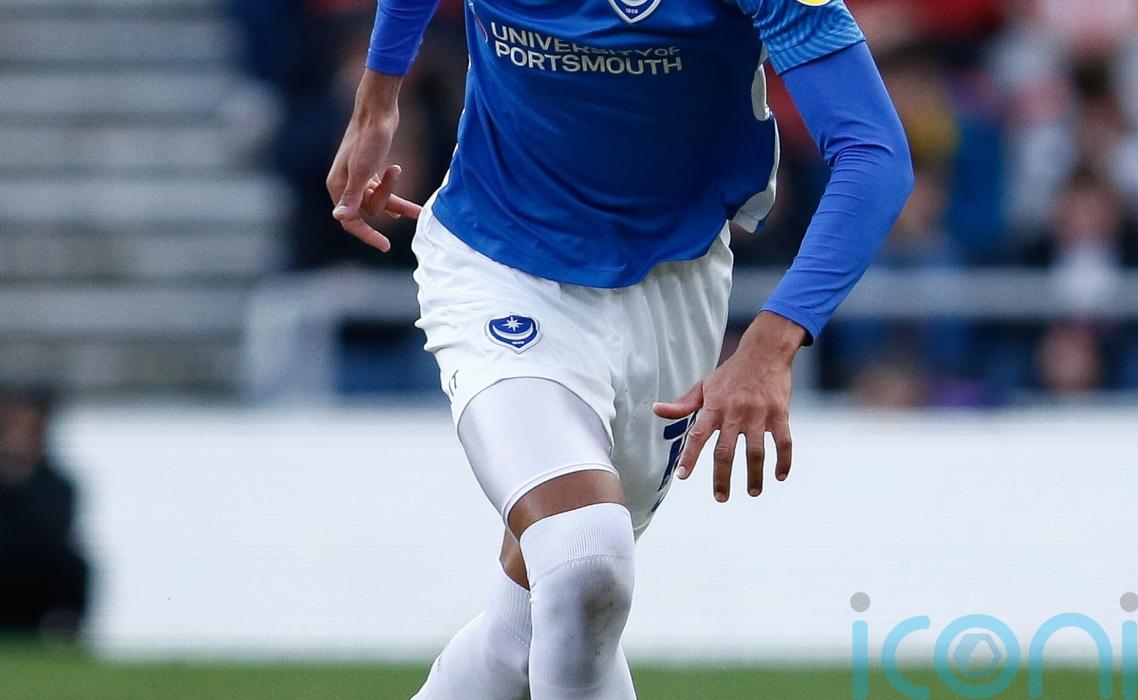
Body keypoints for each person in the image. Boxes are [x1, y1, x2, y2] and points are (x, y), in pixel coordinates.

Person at [326, 0, 912, 696]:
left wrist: (770, 345)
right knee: (583, 557)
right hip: (497, 262)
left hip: (674, 289)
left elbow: (873, 152)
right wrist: (378, 98)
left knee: (533, 622)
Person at [0, 389, 90, 639]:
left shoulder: (56, 484)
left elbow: (53, 533)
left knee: (74, 565)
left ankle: (63, 635)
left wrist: (21, 478)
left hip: (32, 574)